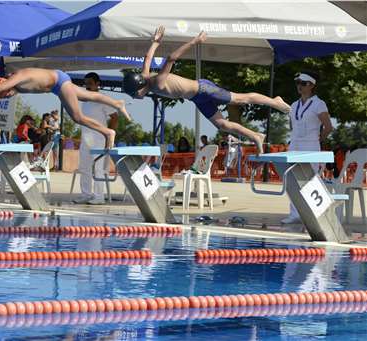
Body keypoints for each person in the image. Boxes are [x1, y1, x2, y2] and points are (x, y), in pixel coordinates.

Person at [123, 26, 292, 154]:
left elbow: (171, 58)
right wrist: (155, 42)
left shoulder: (158, 83)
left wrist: (194, 42)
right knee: (222, 124)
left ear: (140, 86)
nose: (137, 97)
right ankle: (256, 136)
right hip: (197, 98)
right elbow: (147, 58)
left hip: (204, 89)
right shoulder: (144, 75)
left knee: (240, 99)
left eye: (135, 94)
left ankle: (274, 101)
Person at [0, 68, 132, 149]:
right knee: (88, 95)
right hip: (58, 83)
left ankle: (108, 132)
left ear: (5, 85)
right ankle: (117, 103)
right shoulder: (16, 87)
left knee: (77, 117)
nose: (6, 96)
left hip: (58, 81)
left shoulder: (18, 77)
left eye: (5, 95)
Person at [281, 71, 333, 224]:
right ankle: (294, 214)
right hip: (295, 144)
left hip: (311, 145)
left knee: (310, 181)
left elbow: (328, 127)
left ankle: (315, 213)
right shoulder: (294, 105)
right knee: (292, 180)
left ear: (311, 85)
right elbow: (292, 126)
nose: (299, 86)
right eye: (298, 83)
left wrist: (318, 140)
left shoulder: (319, 103)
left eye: (303, 83)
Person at [74, 72, 119, 205]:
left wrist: (109, 135)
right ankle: (86, 194)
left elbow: (115, 117)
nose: (87, 86)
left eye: (90, 83)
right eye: (86, 83)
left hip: (100, 139)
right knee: (84, 167)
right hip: (86, 138)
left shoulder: (103, 98)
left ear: (97, 84)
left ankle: (99, 197)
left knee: (100, 169)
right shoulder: (85, 99)